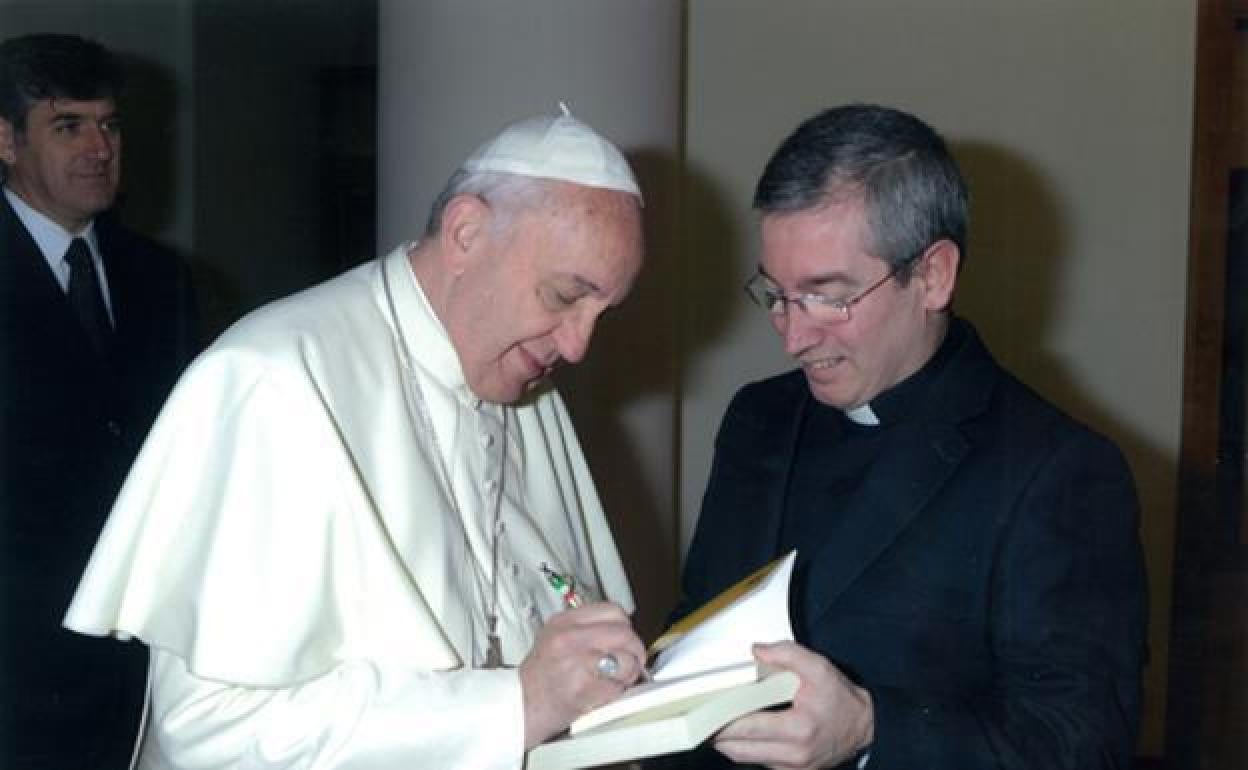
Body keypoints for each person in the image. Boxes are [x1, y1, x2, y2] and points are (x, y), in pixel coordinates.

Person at [64, 107, 650, 768]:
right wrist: (515, 706)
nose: (578, 347)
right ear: (465, 232)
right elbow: (211, 730)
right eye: (564, 296)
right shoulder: (273, 380)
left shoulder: (525, 382)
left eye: (604, 312)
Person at [660, 105, 1148, 769]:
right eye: (776, 293)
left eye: (828, 296)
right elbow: (699, 639)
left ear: (933, 276)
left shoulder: (1058, 470)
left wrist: (869, 729)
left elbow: (1083, 746)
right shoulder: (758, 419)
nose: (793, 336)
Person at [0, 33, 199, 768]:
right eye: (67, 125)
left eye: (109, 125)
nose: (98, 147)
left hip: (137, 651)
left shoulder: (160, 278)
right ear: (5, 140)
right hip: (18, 665)